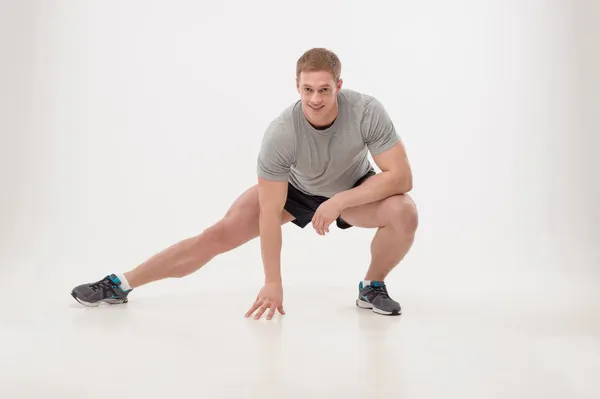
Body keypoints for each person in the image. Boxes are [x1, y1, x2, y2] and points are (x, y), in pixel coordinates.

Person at [70, 48, 418, 319]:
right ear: (296, 86)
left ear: (338, 86)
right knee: (216, 236)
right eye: (308, 89)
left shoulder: (367, 112)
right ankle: (121, 284)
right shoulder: (282, 133)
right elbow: (269, 215)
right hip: (292, 191)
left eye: (325, 89)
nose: (316, 99)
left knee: (404, 211)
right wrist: (273, 281)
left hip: (352, 190)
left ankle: (371, 286)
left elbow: (401, 177)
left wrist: (339, 202)